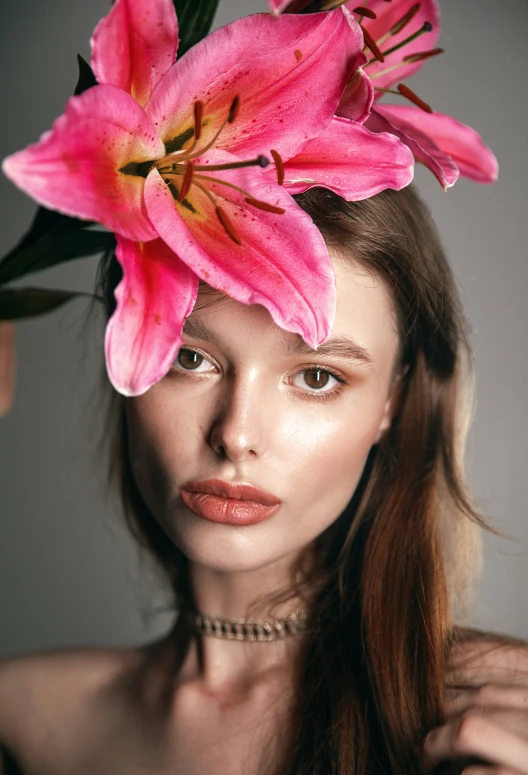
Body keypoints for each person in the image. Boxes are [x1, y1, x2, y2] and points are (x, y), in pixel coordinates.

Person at [1, 1, 527, 774]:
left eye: (316, 376)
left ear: (393, 400)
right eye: (190, 359)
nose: (236, 432)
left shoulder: (503, 706)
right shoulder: (24, 716)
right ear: (131, 350)